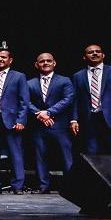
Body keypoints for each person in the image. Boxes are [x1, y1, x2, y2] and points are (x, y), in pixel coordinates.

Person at [0, 46, 29, 194]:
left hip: (12, 120)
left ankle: (17, 186)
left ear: (10, 60)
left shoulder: (19, 76)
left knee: (15, 154)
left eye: (3, 57)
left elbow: (24, 101)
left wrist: (21, 120)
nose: (0, 59)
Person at [27, 53, 75, 193]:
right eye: (42, 61)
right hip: (38, 126)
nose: (45, 63)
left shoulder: (64, 80)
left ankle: (71, 187)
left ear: (54, 63)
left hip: (59, 125)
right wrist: (39, 114)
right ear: (36, 65)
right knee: (40, 156)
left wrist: (48, 112)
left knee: (66, 156)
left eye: (49, 61)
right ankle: (43, 186)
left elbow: (68, 99)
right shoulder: (29, 83)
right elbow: (25, 101)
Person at [71, 44, 111, 155]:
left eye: (98, 51)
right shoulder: (78, 76)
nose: (95, 53)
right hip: (89, 121)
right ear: (84, 57)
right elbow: (75, 100)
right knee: (91, 155)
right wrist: (74, 120)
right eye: (90, 52)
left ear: (103, 55)